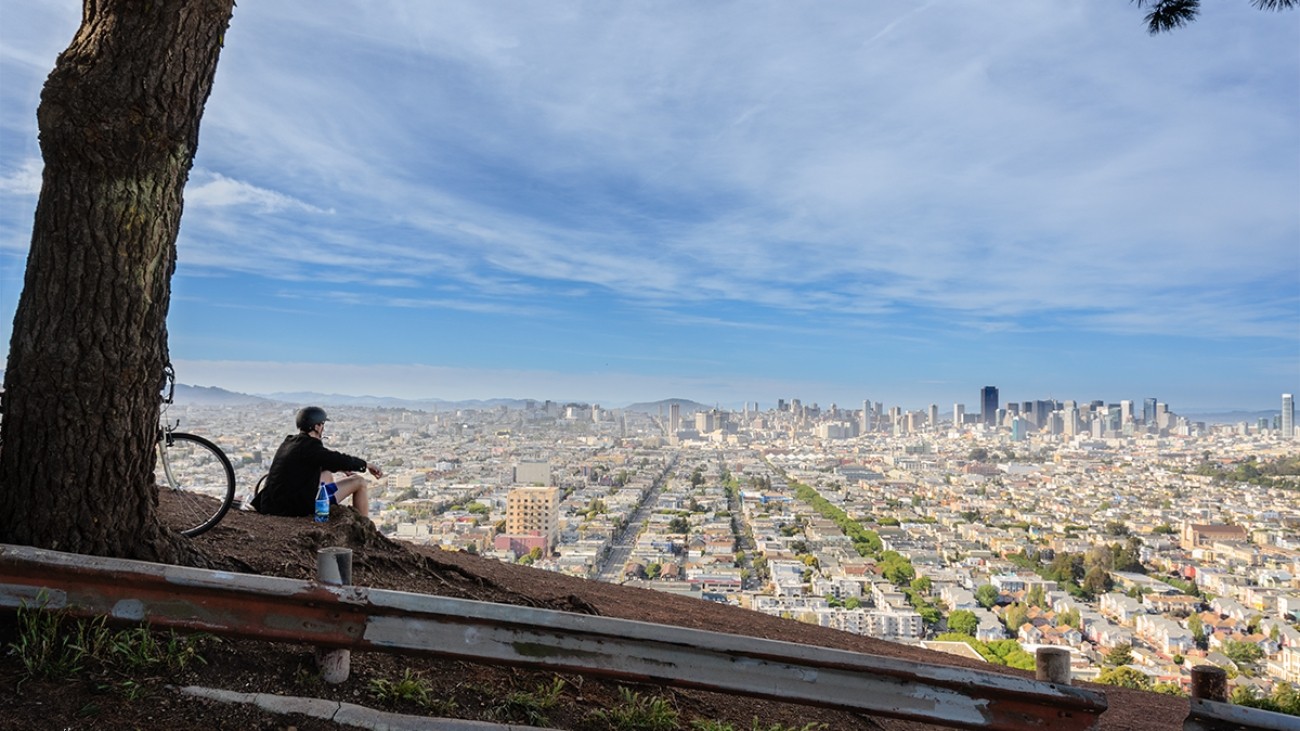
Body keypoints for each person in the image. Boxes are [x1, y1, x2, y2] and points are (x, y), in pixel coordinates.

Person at [251, 406, 383, 518]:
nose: (323, 428)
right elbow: (337, 459)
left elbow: (314, 461)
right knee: (359, 482)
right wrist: (366, 465)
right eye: (322, 424)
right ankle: (363, 523)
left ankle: (328, 510)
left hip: (270, 504)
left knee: (326, 474)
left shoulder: (290, 442)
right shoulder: (311, 447)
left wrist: (340, 468)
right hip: (292, 509)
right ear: (317, 426)